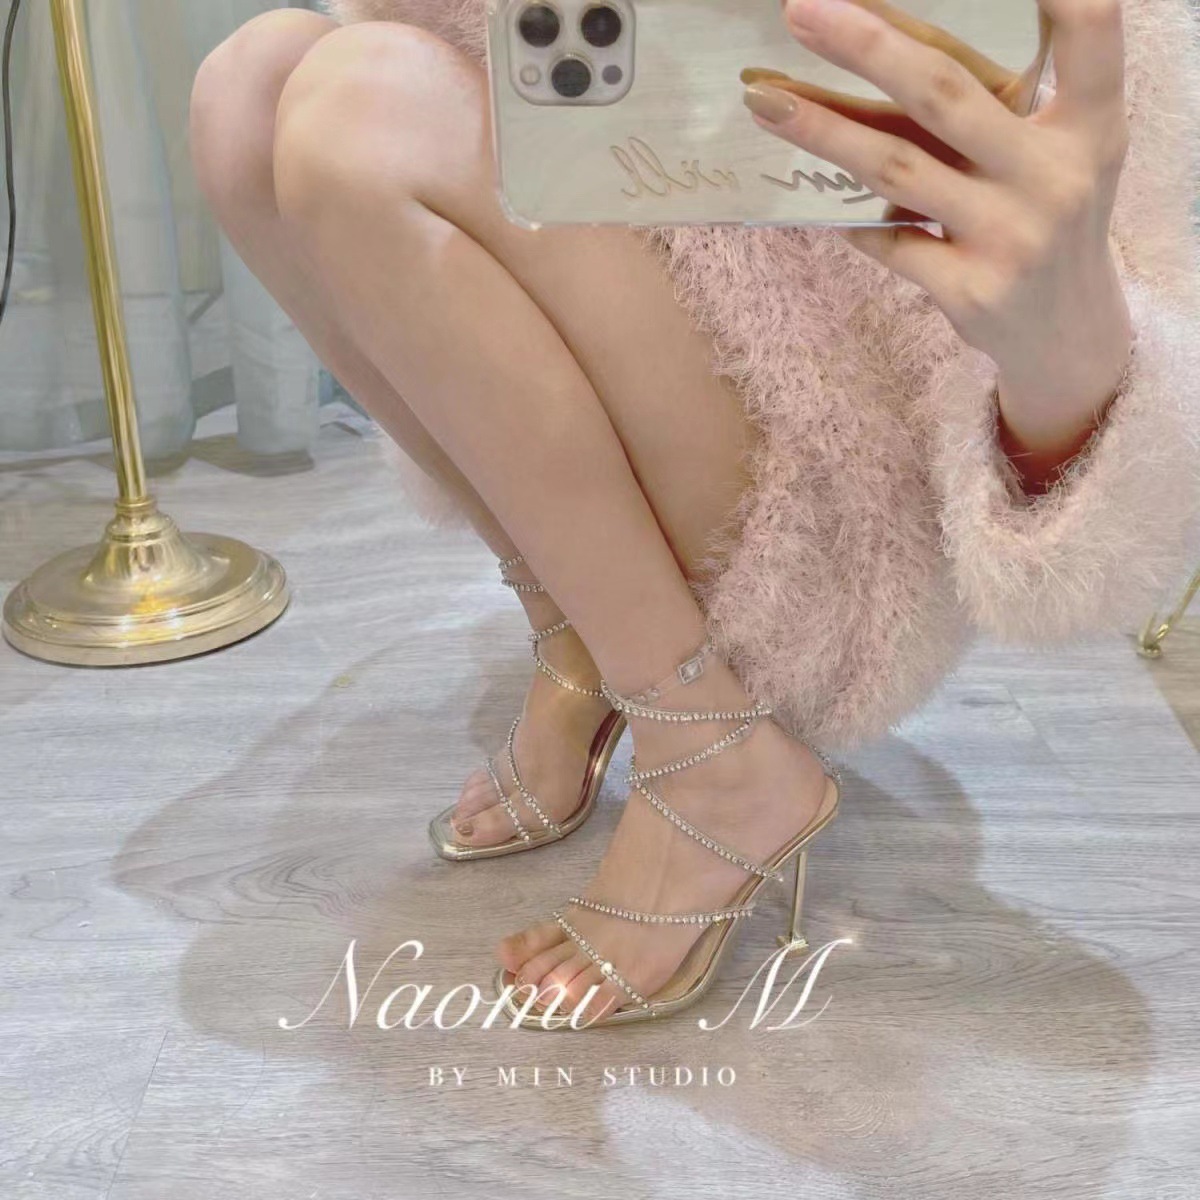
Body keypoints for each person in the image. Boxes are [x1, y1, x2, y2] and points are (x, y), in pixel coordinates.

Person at [189, 0, 1200, 1027]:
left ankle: (713, 752)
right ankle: (580, 633)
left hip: (840, 489)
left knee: (361, 110)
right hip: (629, 326)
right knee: (252, 88)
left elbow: (1124, 417)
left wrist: (1068, 353)